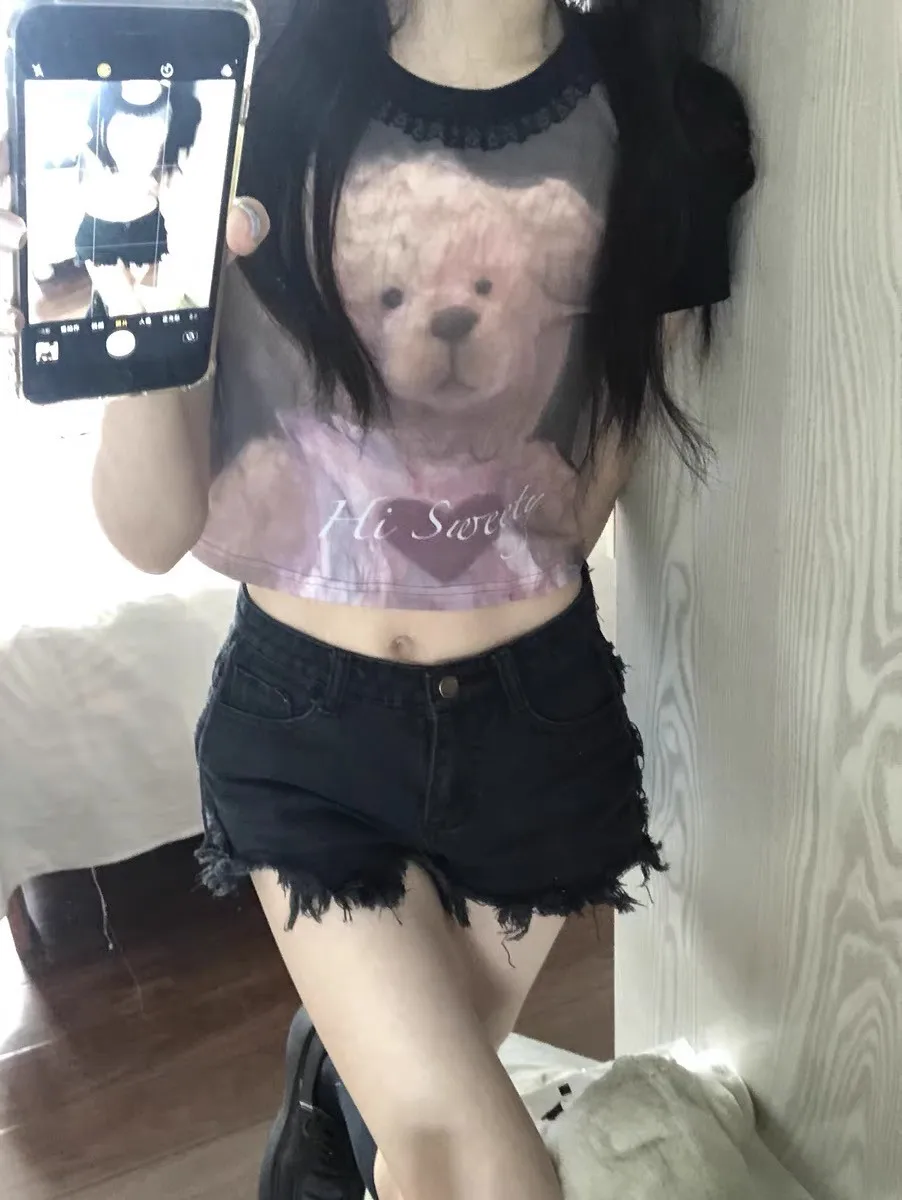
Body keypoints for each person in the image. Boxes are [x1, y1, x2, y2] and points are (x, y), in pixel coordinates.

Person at [0, 2, 754, 1198]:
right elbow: (149, 535)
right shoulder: (256, 111)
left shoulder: (664, 122)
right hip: (308, 733)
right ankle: (332, 1092)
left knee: (415, 1134)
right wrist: (134, 334)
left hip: (536, 729)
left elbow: (585, 485)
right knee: (477, 1162)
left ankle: (323, 1096)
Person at [75, 79, 201, 317]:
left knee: (136, 307)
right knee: (127, 308)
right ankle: (99, 313)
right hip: (103, 225)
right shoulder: (103, 97)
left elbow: (170, 168)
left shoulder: (177, 103)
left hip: (147, 224)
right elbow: (86, 166)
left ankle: (98, 312)